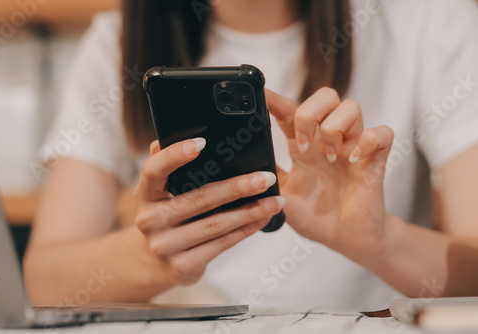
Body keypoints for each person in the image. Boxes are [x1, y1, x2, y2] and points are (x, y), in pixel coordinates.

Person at [24, 0, 478, 312]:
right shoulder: (117, 41)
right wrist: (149, 258)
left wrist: (379, 242)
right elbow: (45, 281)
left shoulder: (430, 20)